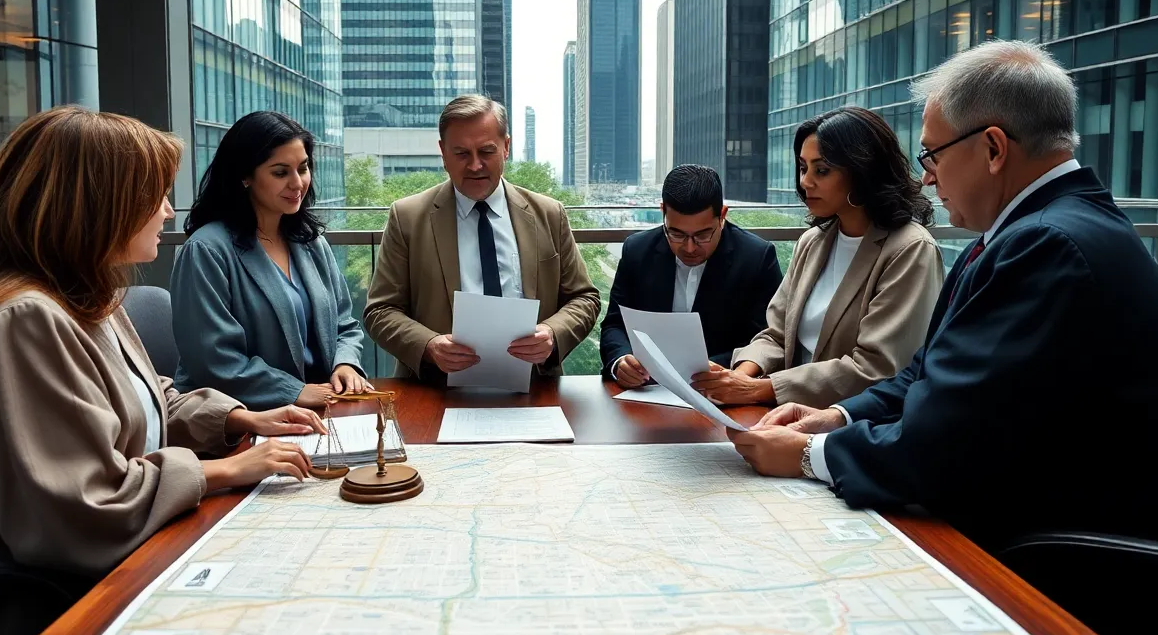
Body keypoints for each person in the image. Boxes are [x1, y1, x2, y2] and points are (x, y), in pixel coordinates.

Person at [731, 40, 1158, 548]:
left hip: (1048, 548)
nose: (927, 175)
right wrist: (839, 415)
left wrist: (809, 454)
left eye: (933, 153)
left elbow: (943, 446)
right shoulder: (1039, 229)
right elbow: (926, 372)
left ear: (993, 149)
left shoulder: (1046, 245)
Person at [0, 106, 325, 575]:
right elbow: (80, 505)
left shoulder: (88, 296)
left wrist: (242, 418)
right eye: (155, 195)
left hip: (131, 549)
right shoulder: (24, 321)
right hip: (47, 599)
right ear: (98, 206)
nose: (168, 210)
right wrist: (226, 470)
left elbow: (148, 401)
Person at [691, 106, 942, 408]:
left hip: (854, 426)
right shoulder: (813, 242)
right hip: (786, 413)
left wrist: (758, 389)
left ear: (862, 172)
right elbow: (776, 335)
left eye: (821, 170)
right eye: (802, 168)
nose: (805, 182)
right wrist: (738, 377)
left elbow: (878, 369)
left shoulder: (910, 249)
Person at [364, 95, 600, 384]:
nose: (475, 166)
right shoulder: (407, 217)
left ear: (506, 147)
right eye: (462, 154)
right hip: (435, 392)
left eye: (486, 152)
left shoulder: (549, 214)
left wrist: (552, 333)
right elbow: (380, 311)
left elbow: (584, 298)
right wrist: (428, 345)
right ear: (443, 152)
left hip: (534, 389)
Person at [171, 111, 368, 411]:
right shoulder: (206, 251)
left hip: (321, 407)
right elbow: (212, 361)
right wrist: (294, 392)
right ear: (245, 176)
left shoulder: (311, 241)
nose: (297, 183)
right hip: (238, 421)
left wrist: (346, 364)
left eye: (302, 168)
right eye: (280, 172)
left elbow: (345, 324)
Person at [600, 165, 782, 387]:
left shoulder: (756, 257)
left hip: (722, 390)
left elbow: (764, 339)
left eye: (703, 235)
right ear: (663, 212)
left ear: (722, 215)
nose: (689, 247)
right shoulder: (637, 250)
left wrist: (709, 372)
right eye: (676, 233)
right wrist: (621, 361)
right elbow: (614, 324)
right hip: (645, 389)